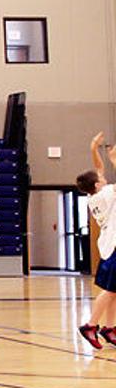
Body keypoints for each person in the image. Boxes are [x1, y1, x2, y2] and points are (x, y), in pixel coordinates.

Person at [76, 132, 116, 349]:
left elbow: (97, 171)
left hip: (109, 245)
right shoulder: (106, 194)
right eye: (102, 179)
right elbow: (104, 175)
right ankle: (90, 325)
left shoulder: (93, 195)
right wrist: (114, 160)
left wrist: (93, 148)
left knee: (114, 290)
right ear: (98, 185)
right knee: (110, 290)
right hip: (114, 245)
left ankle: (109, 328)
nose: (105, 178)